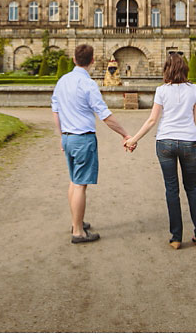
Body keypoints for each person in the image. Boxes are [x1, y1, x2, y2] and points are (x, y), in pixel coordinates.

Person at [125, 53, 196, 249]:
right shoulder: (194, 89)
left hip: (165, 142)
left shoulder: (161, 90)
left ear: (167, 70)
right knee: (192, 188)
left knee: (172, 189)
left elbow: (152, 120)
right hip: (188, 141)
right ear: (185, 69)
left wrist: (133, 140)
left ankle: (176, 238)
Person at [52, 43, 130, 244]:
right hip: (82, 138)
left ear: (73, 59)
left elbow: (55, 110)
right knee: (80, 185)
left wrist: (61, 135)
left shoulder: (62, 81)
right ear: (92, 61)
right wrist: (124, 134)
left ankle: (75, 221)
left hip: (68, 137)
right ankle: (78, 231)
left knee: (73, 181)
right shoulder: (88, 85)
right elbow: (105, 116)